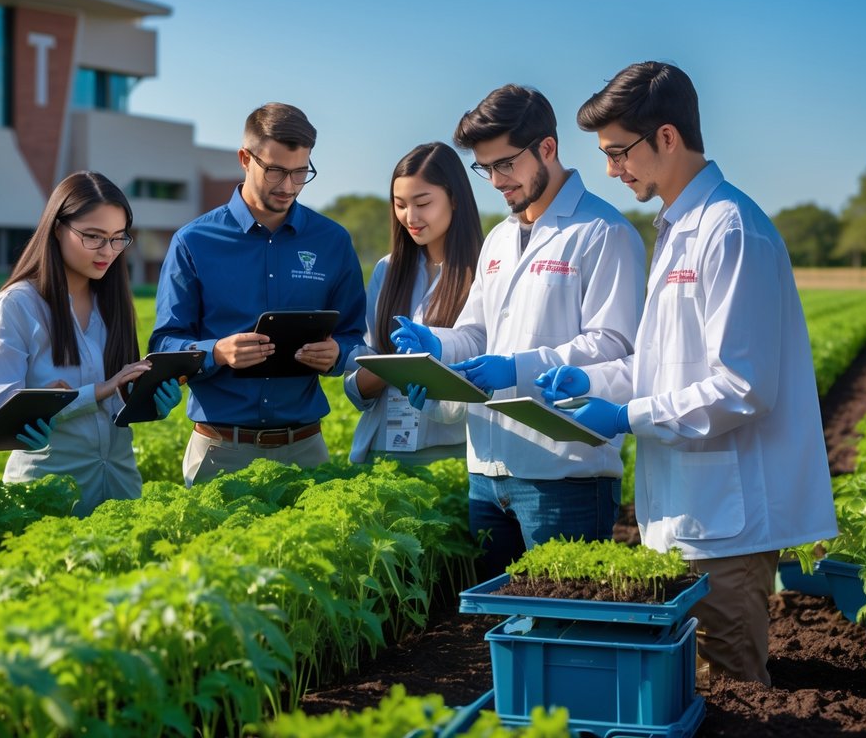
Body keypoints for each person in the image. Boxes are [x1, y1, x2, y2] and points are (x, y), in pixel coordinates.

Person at [541, 60, 838, 686]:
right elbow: (664, 365)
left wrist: (626, 416)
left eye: (619, 152)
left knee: (732, 689)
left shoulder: (730, 230)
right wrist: (591, 381)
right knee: (694, 691)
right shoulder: (678, 227)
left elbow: (743, 387)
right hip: (683, 513)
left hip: (726, 526)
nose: (611, 170)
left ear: (667, 137)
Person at [391, 85, 645, 580]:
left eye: (505, 164)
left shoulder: (603, 232)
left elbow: (615, 345)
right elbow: (476, 332)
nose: (495, 181)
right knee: (497, 617)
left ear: (547, 148)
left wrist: (516, 368)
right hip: (487, 472)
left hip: (564, 475)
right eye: (484, 168)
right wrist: (438, 347)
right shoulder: (499, 238)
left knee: (558, 616)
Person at [150, 102, 367, 486]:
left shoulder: (332, 241)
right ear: (245, 159)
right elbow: (165, 344)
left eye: (301, 172)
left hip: (306, 449)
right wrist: (218, 352)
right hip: (219, 451)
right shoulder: (194, 241)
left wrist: (337, 353)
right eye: (276, 171)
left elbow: (353, 336)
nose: (288, 186)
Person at [0, 172, 183, 516]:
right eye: (93, 237)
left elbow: (117, 404)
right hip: (45, 497)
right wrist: (96, 392)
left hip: (119, 488)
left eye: (117, 239)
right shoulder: (18, 305)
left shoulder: (113, 303)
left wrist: (146, 400)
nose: (107, 251)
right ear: (58, 228)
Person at [344, 142, 483, 463]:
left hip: (450, 453)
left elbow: (484, 374)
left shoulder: (484, 271)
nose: (411, 217)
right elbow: (360, 373)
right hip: (381, 449)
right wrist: (394, 369)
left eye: (422, 203)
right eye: (400, 205)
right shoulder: (387, 269)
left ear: (455, 199)